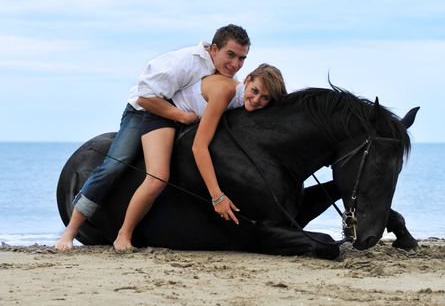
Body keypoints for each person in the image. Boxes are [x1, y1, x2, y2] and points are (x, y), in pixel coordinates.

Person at [55, 24, 251, 251]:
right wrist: (180, 116)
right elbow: (146, 97)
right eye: (231, 55)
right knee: (115, 164)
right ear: (214, 49)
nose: (236, 64)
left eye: (242, 58)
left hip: (176, 117)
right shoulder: (186, 62)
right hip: (144, 112)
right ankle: (70, 231)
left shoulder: (225, 73)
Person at [113, 64, 287, 251]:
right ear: (247, 80)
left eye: (265, 98)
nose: (256, 99)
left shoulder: (244, 103)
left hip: (188, 123)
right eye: (255, 91)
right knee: (158, 177)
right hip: (166, 116)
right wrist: (217, 196)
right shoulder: (225, 92)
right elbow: (199, 147)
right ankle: (123, 235)